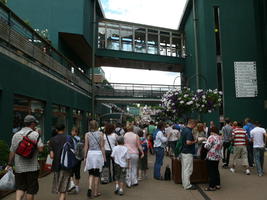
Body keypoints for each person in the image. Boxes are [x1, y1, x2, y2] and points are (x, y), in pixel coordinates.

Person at [6, 115, 44, 200]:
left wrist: (10, 164)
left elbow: (12, 151)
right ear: (32, 124)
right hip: (32, 167)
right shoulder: (35, 134)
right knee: (30, 190)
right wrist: (39, 136)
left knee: (20, 188)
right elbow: (41, 149)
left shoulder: (16, 135)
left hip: (19, 168)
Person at [49, 124, 73, 200]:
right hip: (66, 165)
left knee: (60, 187)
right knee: (63, 188)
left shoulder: (52, 140)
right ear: (64, 129)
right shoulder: (68, 138)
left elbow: (51, 156)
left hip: (56, 165)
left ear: (56, 130)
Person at [84, 120, 106, 198]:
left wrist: (85, 157)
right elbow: (102, 146)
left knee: (91, 173)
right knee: (97, 174)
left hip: (90, 154)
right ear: (97, 126)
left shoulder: (87, 134)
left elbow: (86, 146)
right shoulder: (101, 134)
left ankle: (90, 188)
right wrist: (104, 157)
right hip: (98, 154)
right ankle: (96, 192)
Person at [204, 127, 223, 191]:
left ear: (211, 131)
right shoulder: (220, 137)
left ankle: (212, 186)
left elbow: (207, 146)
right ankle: (218, 184)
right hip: (217, 156)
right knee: (216, 170)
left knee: (211, 172)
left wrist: (205, 144)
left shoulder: (211, 137)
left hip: (211, 156)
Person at [181, 119, 197, 190]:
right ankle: (187, 185)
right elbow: (188, 142)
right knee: (188, 169)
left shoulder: (184, 129)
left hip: (183, 151)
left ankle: (184, 183)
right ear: (192, 124)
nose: (195, 127)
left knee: (184, 168)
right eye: (195, 125)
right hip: (188, 152)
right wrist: (195, 141)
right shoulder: (189, 132)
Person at [69, 127, 83, 193]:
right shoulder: (80, 139)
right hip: (79, 158)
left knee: (71, 172)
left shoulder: (71, 139)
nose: (71, 132)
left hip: (73, 158)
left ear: (76, 132)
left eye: (72, 131)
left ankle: (72, 184)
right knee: (77, 172)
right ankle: (77, 187)